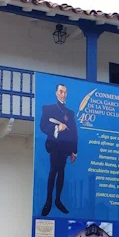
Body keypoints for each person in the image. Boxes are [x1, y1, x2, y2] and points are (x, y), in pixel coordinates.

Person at [39, 83, 78, 216]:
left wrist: (74, 151)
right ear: (56, 93)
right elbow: (43, 126)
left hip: (66, 148)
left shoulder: (70, 113)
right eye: (61, 91)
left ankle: (58, 200)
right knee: (53, 172)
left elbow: (74, 132)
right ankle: (48, 201)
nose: (63, 94)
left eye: (65, 92)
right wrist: (56, 128)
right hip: (54, 146)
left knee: (61, 173)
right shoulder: (48, 109)